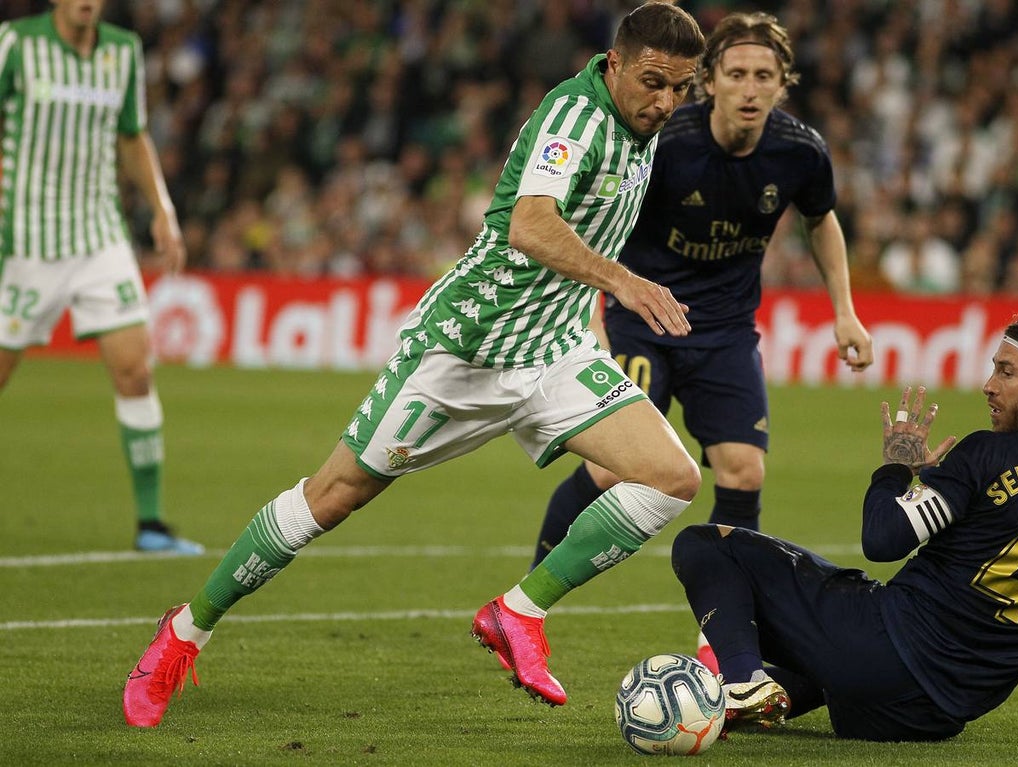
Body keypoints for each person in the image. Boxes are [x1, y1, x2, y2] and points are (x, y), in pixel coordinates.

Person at [122, 2, 706, 728]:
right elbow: (529, 224)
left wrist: (587, 312)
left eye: (681, 88)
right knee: (332, 496)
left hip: (551, 349)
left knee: (673, 476)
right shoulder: (575, 120)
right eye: (654, 82)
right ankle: (185, 630)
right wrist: (618, 280)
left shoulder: (643, 122)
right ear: (614, 63)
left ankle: (517, 612)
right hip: (463, 349)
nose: (666, 102)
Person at [528, 11, 873, 670]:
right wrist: (595, 309)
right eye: (736, 73)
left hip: (724, 332)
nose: (750, 87)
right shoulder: (667, 142)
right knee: (610, 465)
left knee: (745, 469)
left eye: (764, 76)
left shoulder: (800, 151)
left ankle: (724, 635)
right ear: (708, 81)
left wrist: (845, 311)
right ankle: (532, 598)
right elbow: (597, 216)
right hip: (643, 318)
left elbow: (821, 221)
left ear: (782, 85)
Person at [671, 300, 1018, 740]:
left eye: (1006, 372)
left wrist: (895, 468)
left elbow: (883, 540)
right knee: (835, 649)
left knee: (705, 545)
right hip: (930, 715)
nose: (988, 385)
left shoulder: (986, 455)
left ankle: (740, 683)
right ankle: (730, 706)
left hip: (881, 653)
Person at [0, 1, 200, 554]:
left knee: (135, 370)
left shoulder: (122, 52)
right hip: (25, 241)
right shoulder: (16, 46)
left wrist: (162, 209)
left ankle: (152, 525)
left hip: (98, 237)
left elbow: (133, 136)